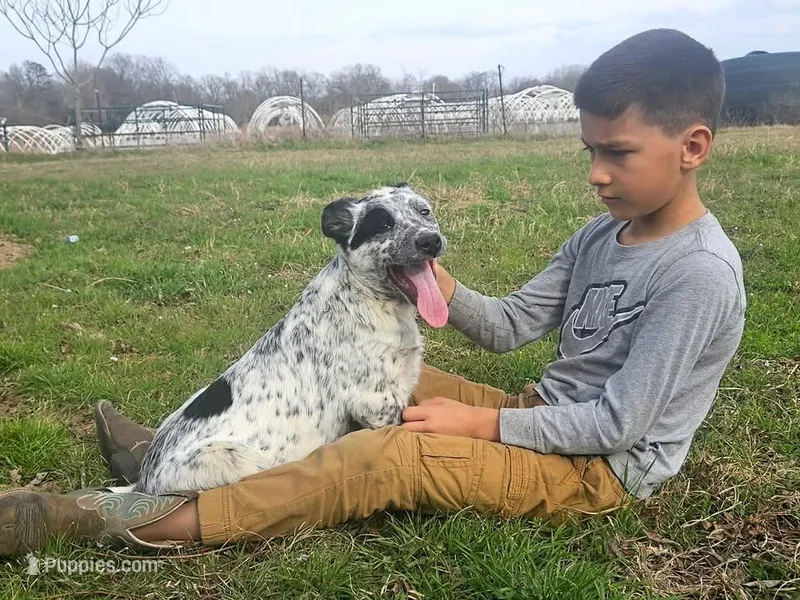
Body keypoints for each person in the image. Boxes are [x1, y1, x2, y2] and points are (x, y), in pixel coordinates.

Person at [0, 28, 746, 557]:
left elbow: (619, 424)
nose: (595, 173)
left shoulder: (698, 275)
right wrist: (427, 266)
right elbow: (512, 324)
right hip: (548, 415)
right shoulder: (598, 236)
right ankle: (175, 450)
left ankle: (114, 518)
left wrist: (478, 428)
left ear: (692, 147)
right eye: (590, 151)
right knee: (368, 368)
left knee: (385, 451)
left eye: (616, 153)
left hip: (600, 472)